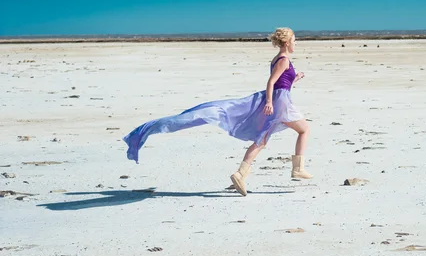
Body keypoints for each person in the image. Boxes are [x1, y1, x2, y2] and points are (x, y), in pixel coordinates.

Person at [122, 27, 312, 196]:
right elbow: (271, 82)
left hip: (281, 98)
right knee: (303, 130)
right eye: (295, 40)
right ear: (287, 43)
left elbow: (281, 84)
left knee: (262, 139)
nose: (296, 43)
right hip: (280, 101)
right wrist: (270, 102)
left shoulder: (279, 59)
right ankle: (297, 169)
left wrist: (294, 80)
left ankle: (241, 174)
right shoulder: (284, 60)